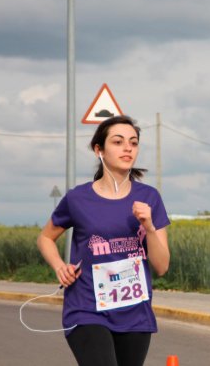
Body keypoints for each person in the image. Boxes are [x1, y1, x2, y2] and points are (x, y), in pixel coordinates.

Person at [37, 115, 170, 366]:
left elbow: (162, 266)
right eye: (118, 142)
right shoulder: (78, 198)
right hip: (87, 309)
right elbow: (45, 237)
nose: (128, 148)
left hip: (135, 312)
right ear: (99, 149)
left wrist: (149, 228)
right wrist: (59, 266)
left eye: (133, 142)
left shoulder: (149, 198)